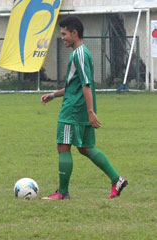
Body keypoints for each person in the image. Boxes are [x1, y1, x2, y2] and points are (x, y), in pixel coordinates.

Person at [40, 17, 128, 200]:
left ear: (75, 33)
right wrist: (54, 95)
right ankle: (116, 180)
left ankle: (62, 193)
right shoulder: (83, 52)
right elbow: (76, 85)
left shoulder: (79, 54)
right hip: (80, 107)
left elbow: (86, 85)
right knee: (85, 147)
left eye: (64, 34)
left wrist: (90, 112)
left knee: (63, 146)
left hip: (73, 110)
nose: (62, 37)